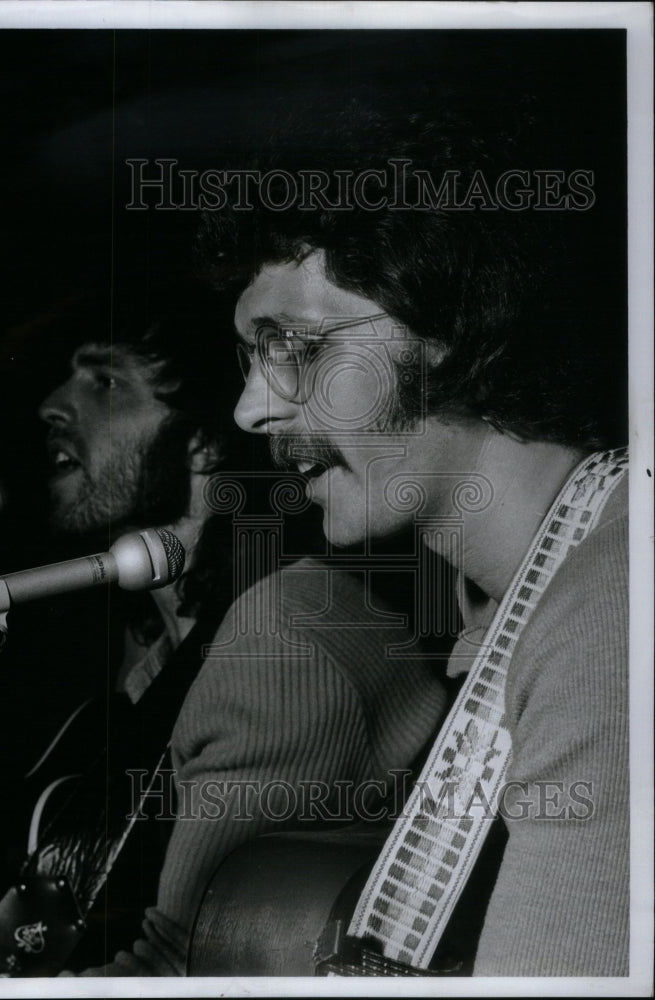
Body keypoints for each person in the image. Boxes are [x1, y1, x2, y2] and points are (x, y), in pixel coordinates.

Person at [197, 105, 629, 976]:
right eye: (250, 354)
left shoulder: (609, 615)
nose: (252, 409)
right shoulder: (521, 615)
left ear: (446, 325)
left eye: (293, 345)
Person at [0, 284, 449, 976]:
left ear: (203, 442)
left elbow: (185, 968)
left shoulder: (286, 635)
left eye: (105, 381)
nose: (52, 405)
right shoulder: (151, 662)